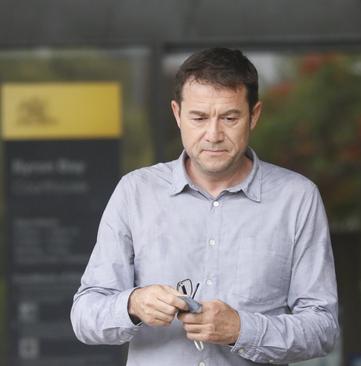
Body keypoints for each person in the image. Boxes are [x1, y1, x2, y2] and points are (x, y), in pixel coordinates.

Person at [70, 47, 339, 365]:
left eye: (229, 117)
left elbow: (323, 328)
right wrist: (132, 304)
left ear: (254, 115)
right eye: (198, 117)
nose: (213, 134)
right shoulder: (135, 192)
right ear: (177, 114)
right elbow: (84, 316)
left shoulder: (297, 199)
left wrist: (241, 328)